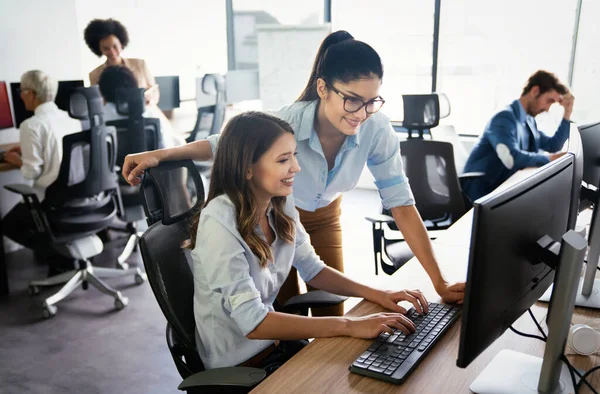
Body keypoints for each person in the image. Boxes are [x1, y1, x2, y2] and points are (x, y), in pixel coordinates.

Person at [121, 30, 466, 316]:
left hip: (325, 216)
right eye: (352, 100)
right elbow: (223, 141)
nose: (362, 113)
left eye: (372, 101)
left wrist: (439, 281)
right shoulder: (288, 123)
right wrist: (161, 153)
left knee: (333, 309)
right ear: (322, 89)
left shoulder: (376, 130)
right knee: (281, 315)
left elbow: (402, 205)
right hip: (276, 219)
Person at [187, 110, 428, 370]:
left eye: (294, 155)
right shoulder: (219, 221)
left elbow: (313, 269)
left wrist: (380, 294)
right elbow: (253, 323)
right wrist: (348, 325)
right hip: (239, 363)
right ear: (247, 169)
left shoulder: (280, 202)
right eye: (283, 160)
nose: (296, 168)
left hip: (276, 343)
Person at [1, 70, 82, 271]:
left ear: (32, 94)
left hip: (51, 200)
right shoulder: (71, 119)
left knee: (8, 224)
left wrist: (16, 159)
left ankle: (58, 254)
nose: (20, 95)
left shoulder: (30, 125)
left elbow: (31, 172)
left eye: (22, 91)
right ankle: (60, 255)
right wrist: (27, 149)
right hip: (77, 195)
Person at [461, 70, 575, 202]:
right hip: (483, 192)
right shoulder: (503, 118)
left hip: (504, 188)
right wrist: (551, 158)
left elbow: (553, 145)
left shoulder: (529, 121)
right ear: (535, 91)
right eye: (549, 101)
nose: (547, 109)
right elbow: (511, 159)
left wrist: (567, 113)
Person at [97, 65, 183, 147]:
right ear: (133, 87)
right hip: (151, 161)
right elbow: (166, 146)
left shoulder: (98, 119)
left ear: (102, 91)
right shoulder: (149, 113)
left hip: (115, 162)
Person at [84, 18, 159, 105]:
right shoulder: (94, 75)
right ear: (99, 49)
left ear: (121, 43)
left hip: (142, 112)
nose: (112, 52)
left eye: (115, 46)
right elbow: (96, 102)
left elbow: (154, 91)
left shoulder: (140, 64)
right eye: (106, 48)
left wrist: (149, 101)